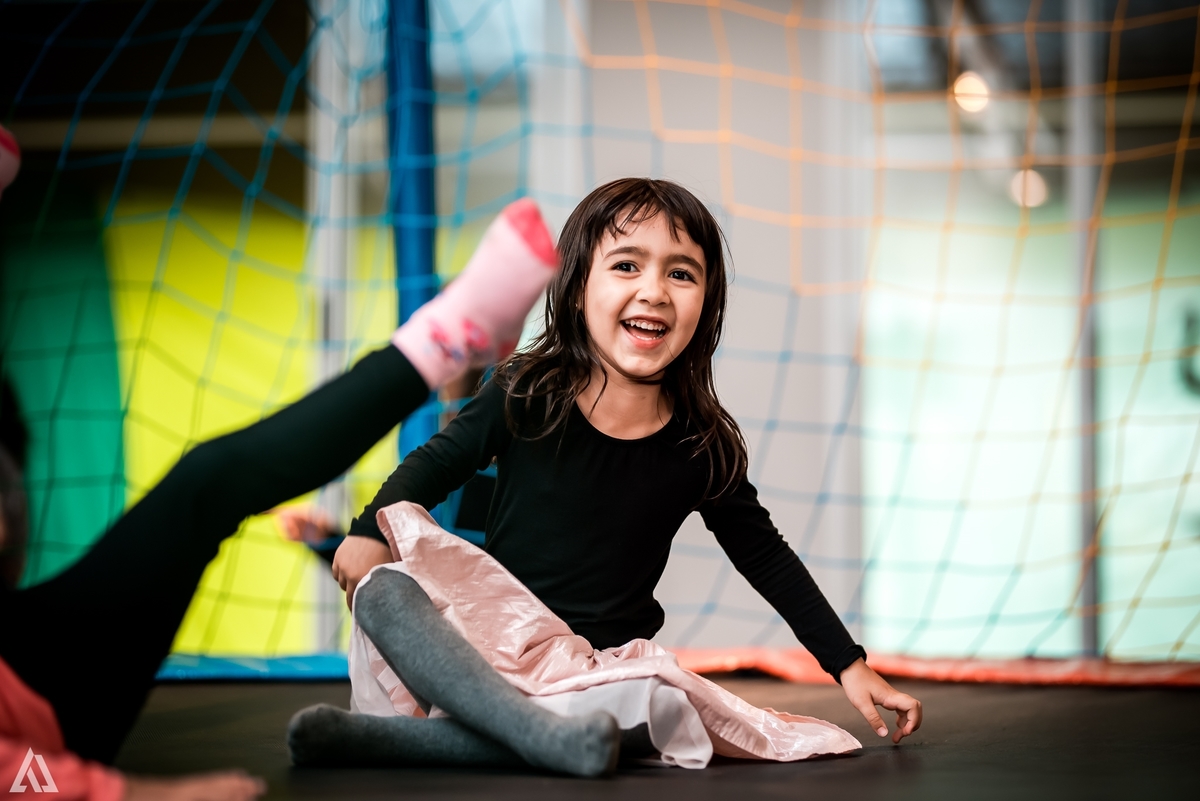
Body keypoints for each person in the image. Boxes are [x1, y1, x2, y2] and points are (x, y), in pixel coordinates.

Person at [0, 118, 561, 799]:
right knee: (214, 489)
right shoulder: (460, 445)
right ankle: (457, 331)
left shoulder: (498, 447)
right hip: (38, 696)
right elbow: (414, 560)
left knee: (208, 483)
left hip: (490, 628)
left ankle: (458, 332)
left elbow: (451, 560)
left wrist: (347, 538)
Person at [291, 178, 922, 776]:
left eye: (681, 273)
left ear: (707, 304)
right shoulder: (525, 392)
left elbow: (767, 557)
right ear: (576, 289)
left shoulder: (701, 446)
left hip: (596, 673)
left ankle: (454, 742)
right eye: (627, 265)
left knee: (656, 700)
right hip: (484, 646)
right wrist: (363, 531)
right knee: (384, 590)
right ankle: (527, 736)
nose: (654, 290)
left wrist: (849, 663)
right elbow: (436, 462)